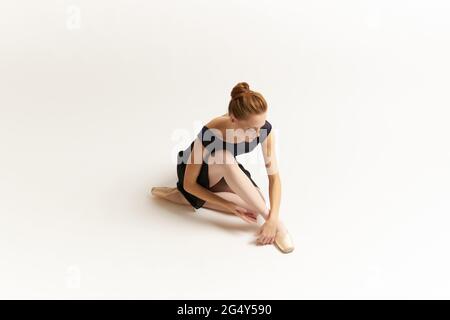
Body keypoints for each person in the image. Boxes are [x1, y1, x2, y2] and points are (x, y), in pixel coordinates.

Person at [151, 82, 294, 253]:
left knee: (255, 206)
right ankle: (280, 227)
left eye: (261, 125)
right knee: (223, 156)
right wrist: (231, 207)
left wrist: (272, 216)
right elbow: (190, 183)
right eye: (252, 128)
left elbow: (274, 178)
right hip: (196, 173)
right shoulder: (213, 130)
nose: (259, 133)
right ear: (233, 119)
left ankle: (186, 198)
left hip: (225, 170)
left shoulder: (264, 130)